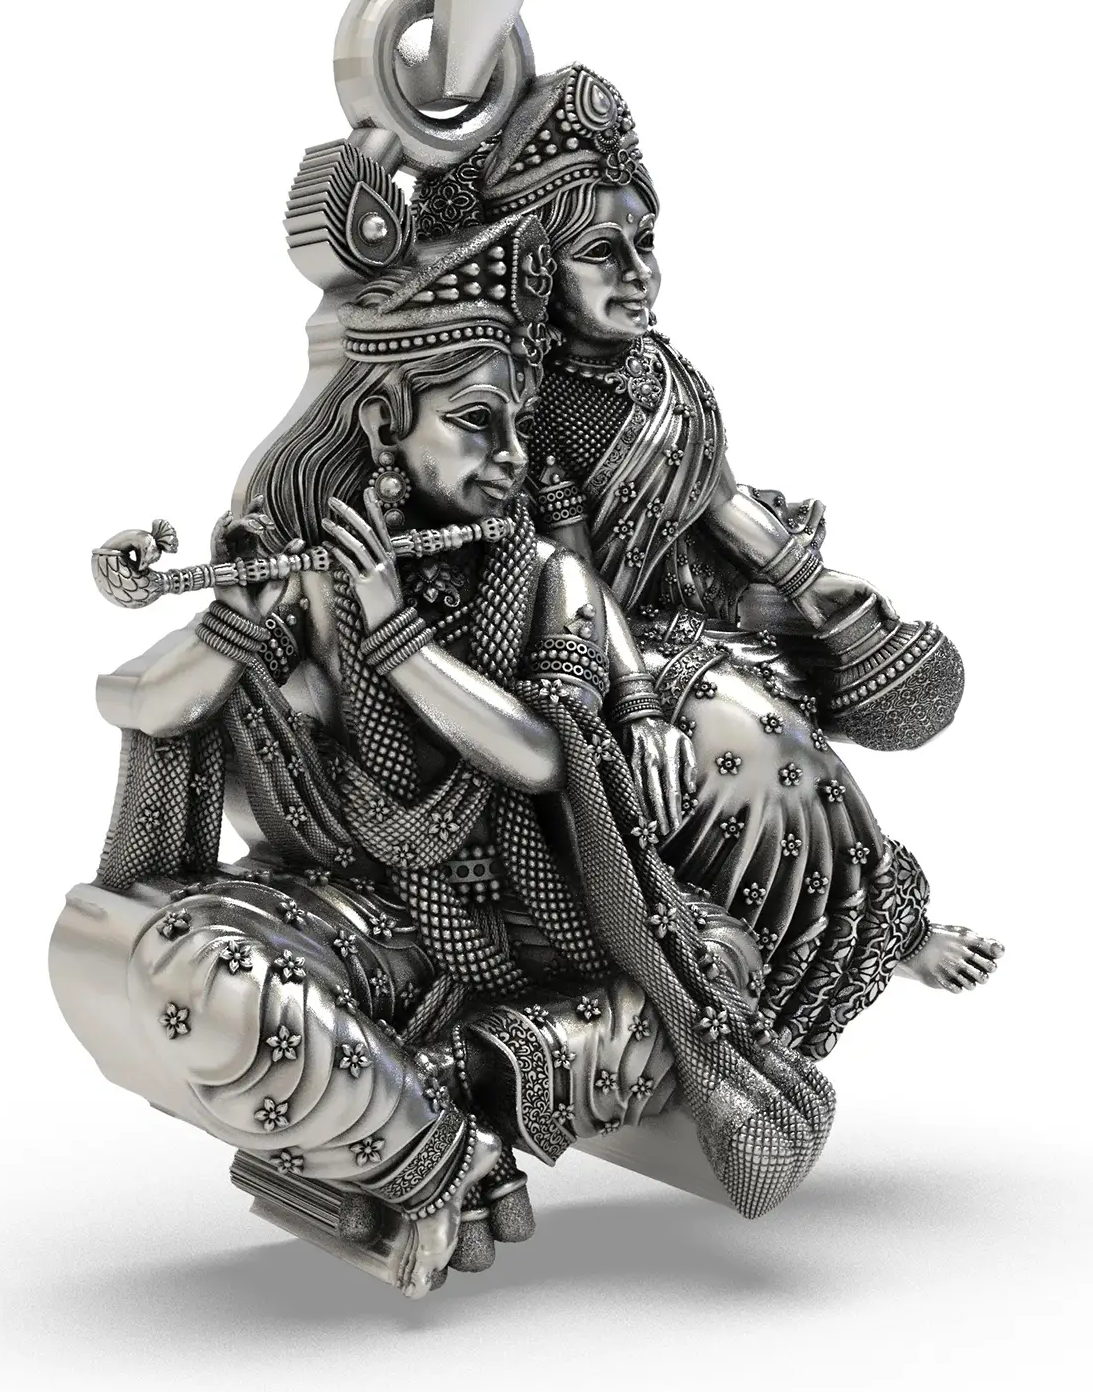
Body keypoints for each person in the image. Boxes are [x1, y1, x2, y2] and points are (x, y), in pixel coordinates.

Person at [89, 214, 833, 1295]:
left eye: (520, 427)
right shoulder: (313, 572)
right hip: (375, 924)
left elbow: (540, 755)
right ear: (385, 423)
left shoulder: (543, 576)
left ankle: (412, 1094)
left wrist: (395, 633)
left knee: (717, 971)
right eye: (479, 425)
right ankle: (441, 1155)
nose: (514, 458)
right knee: (186, 968)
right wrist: (228, 624)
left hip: (543, 928)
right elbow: (134, 702)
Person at [411, 65, 1003, 1061]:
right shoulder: (529, 402)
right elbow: (564, 575)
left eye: (644, 244)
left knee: (794, 704)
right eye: (601, 254)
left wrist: (816, 591)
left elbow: (722, 501)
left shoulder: (668, 375)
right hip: (590, 642)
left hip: (685, 605)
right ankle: (727, 988)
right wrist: (638, 701)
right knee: (763, 755)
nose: (636, 273)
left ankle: (874, 932)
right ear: (539, 270)